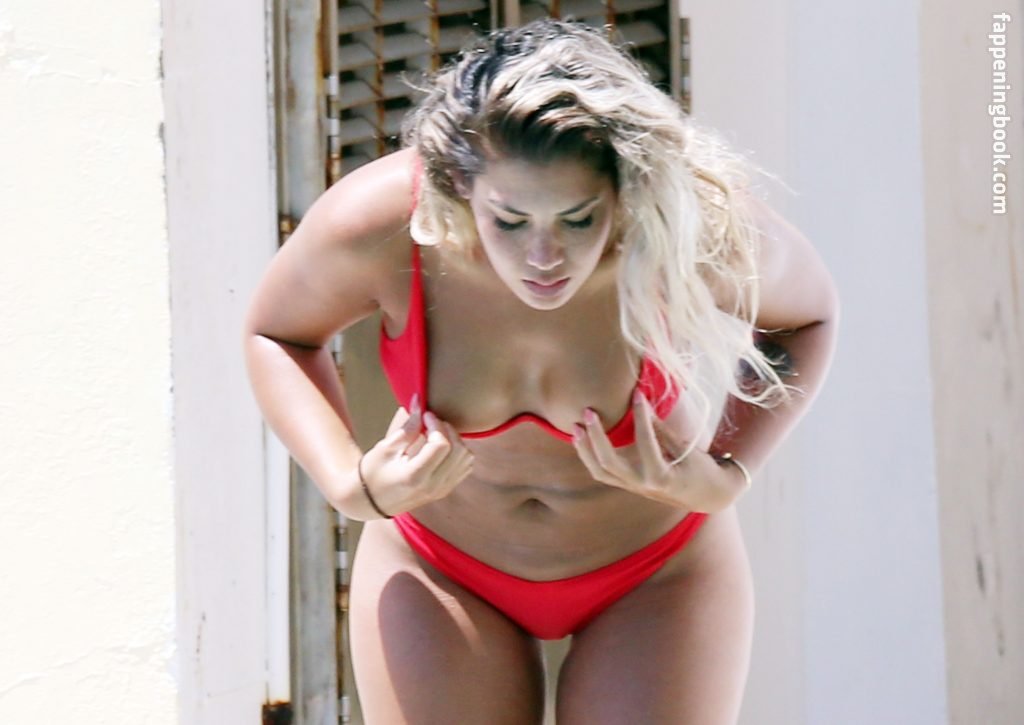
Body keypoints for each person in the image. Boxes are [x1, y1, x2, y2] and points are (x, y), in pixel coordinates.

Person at [243, 18, 839, 725]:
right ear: (457, 186)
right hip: (438, 565)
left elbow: (805, 318)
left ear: (625, 189)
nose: (544, 256)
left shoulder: (688, 224)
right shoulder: (383, 224)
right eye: (510, 220)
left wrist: (726, 472)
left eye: (579, 219)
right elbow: (278, 332)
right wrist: (350, 483)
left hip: (656, 572)